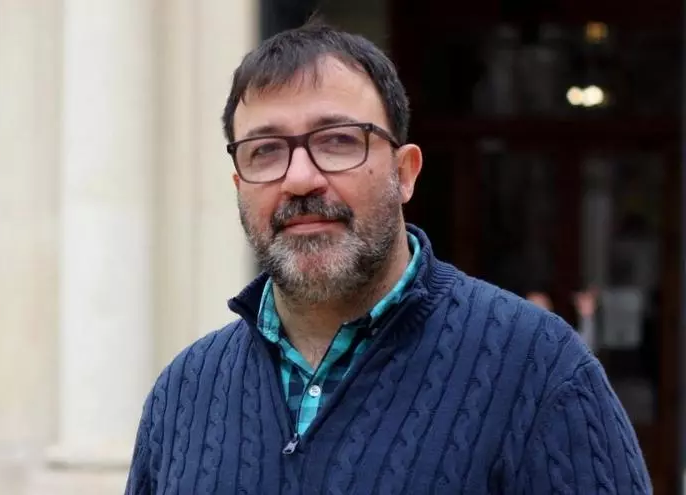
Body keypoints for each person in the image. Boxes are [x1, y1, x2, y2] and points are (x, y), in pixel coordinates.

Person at [125, 23, 650, 494]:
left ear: (405, 173)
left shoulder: (539, 368)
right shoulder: (184, 392)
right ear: (239, 185)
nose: (300, 179)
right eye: (265, 150)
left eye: (337, 141)